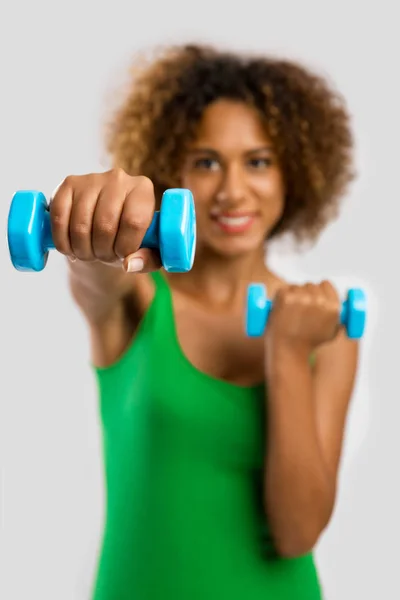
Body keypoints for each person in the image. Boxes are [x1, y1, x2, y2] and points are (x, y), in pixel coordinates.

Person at [50, 44, 359, 599]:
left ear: (295, 173)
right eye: (206, 161)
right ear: (172, 171)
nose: (233, 191)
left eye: (258, 161)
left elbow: (297, 533)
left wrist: (287, 353)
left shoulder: (323, 327)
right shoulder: (137, 297)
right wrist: (91, 230)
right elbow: (96, 276)